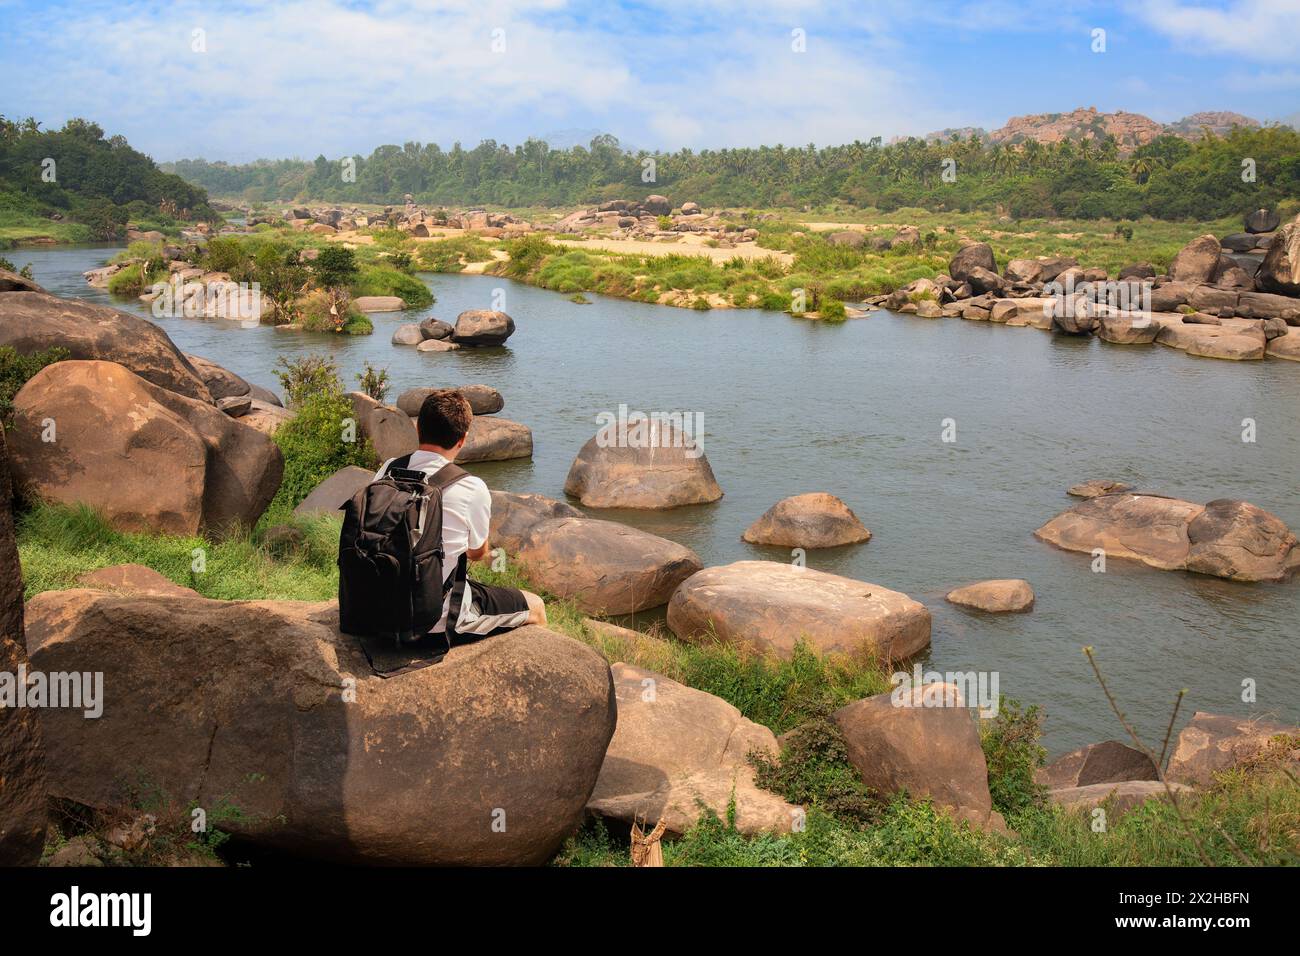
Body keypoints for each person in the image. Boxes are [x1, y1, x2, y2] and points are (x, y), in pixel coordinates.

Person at [373, 389, 546, 639]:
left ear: (418, 429)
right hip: (435, 621)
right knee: (537, 606)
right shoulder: (470, 486)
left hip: (375, 608)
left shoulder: (389, 468)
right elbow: (477, 553)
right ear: (463, 440)